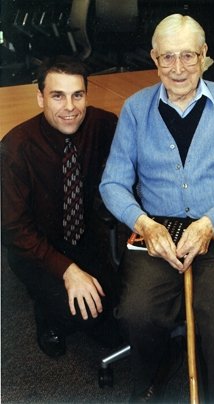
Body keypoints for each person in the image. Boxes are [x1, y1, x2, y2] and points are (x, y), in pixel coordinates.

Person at [100, 14, 214, 403]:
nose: (178, 69)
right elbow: (112, 183)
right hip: (158, 234)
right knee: (138, 313)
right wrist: (144, 222)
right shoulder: (135, 109)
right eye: (168, 57)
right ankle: (152, 375)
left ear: (205, 55)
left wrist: (211, 221)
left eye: (188, 57)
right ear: (154, 58)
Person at [1, 55, 119, 358]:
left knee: (113, 317)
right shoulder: (16, 148)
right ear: (40, 97)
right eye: (58, 96)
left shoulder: (102, 125)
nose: (70, 107)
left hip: (84, 240)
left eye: (77, 95)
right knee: (80, 315)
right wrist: (67, 271)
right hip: (37, 251)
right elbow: (14, 231)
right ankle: (46, 312)